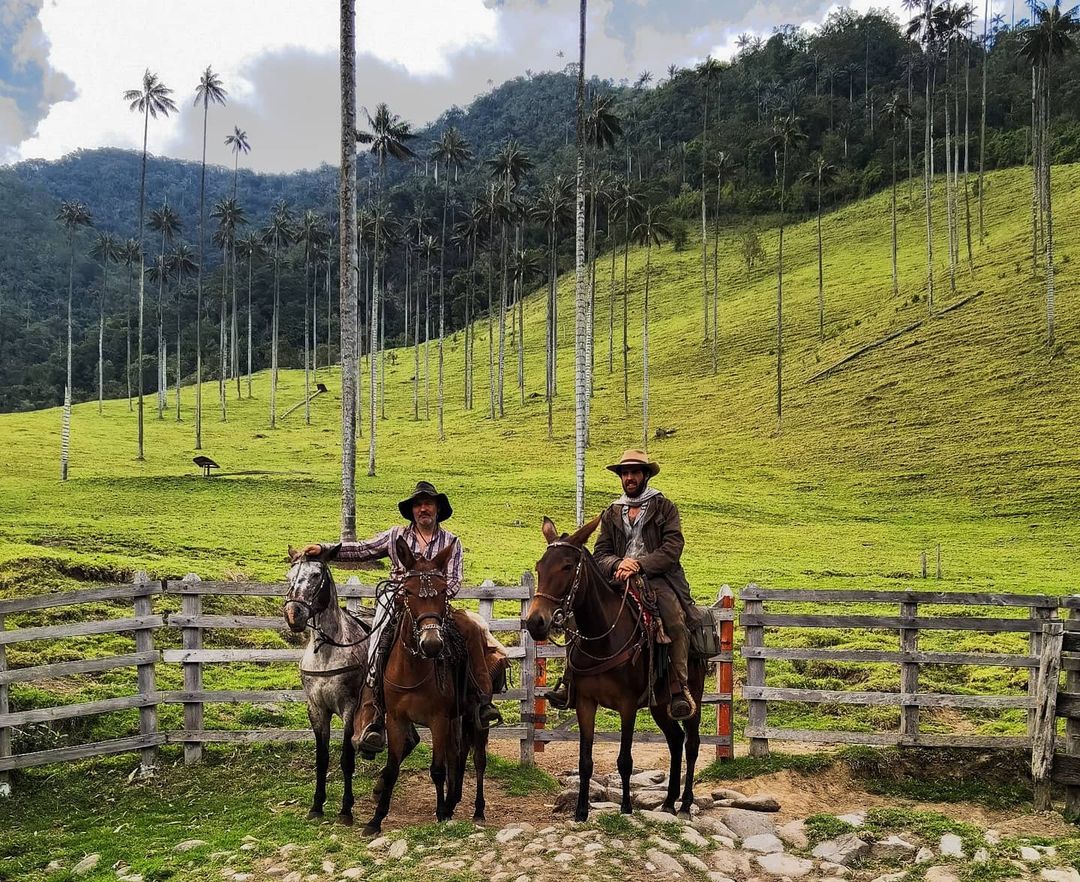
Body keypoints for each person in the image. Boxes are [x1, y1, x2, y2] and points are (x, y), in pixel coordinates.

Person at [302, 480, 504, 756]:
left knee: (471, 629)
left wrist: (434, 596)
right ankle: (373, 713)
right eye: (418, 504)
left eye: (428, 504)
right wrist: (324, 549)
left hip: (434, 603)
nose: (423, 508)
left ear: (437, 508)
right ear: (412, 510)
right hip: (397, 598)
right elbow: (362, 550)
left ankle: (481, 698)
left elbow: (455, 580)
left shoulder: (451, 541)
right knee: (378, 639)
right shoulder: (396, 535)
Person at [546, 449, 698, 720]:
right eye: (625, 473)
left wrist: (639, 564)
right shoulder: (613, 512)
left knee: (674, 620)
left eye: (634, 472)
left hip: (657, 579)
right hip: (616, 578)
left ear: (645, 475)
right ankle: (570, 681)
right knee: (575, 617)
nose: (629, 477)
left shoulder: (665, 507)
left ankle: (678, 688)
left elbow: (672, 547)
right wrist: (618, 565)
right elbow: (601, 552)